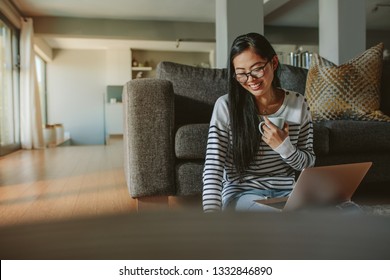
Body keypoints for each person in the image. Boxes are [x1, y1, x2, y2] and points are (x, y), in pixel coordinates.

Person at [202, 33, 316, 212]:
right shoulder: (226, 106)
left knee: (349, 211)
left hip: (288, 192)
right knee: (277, 219)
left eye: (257, 69)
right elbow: (213, 168)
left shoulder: (298, 103)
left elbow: (308, 164)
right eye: (241, 74)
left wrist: (284, 147)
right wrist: (211, 218)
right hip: (242, 193)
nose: (251, 79)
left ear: (274, 63)